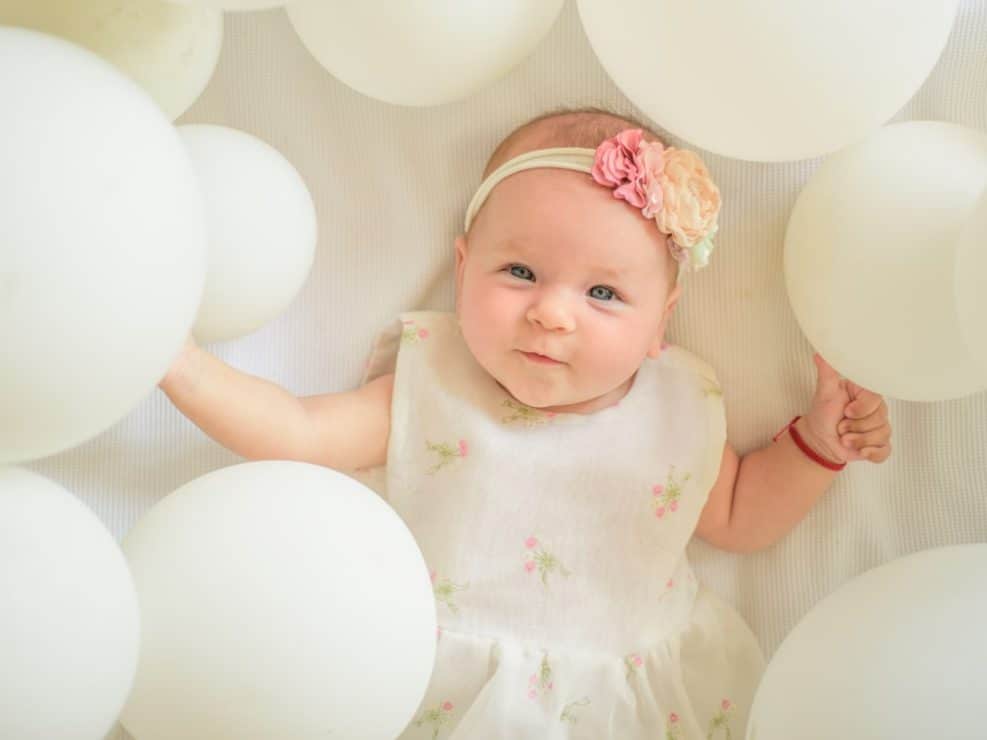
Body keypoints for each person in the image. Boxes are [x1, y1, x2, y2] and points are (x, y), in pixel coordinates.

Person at [160, 108, 892, 739]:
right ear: (462, 266)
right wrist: (180, 364)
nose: (551, 312)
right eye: (519, 273)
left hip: (620, 703)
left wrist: (816, 447)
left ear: (659, 321)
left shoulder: (679, 404)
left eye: (603, 292)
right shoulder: (430, 381)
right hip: (431, 677)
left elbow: (739, 517)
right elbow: (296, 432)